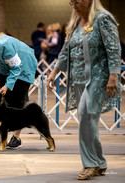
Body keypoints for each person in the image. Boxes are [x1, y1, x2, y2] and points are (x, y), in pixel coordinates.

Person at [47, 0, 121, 180]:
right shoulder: (74, 23)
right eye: (71, 1)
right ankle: (101, 162)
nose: (73, 3)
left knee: (86, 116)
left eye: (77, 0)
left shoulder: (103, 19)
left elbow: (113, 47)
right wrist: (54, 71)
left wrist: (114, 75)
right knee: (88, 122)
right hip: (78, 79)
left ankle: (90, 164)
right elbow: (65, 51)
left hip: (98, 77)